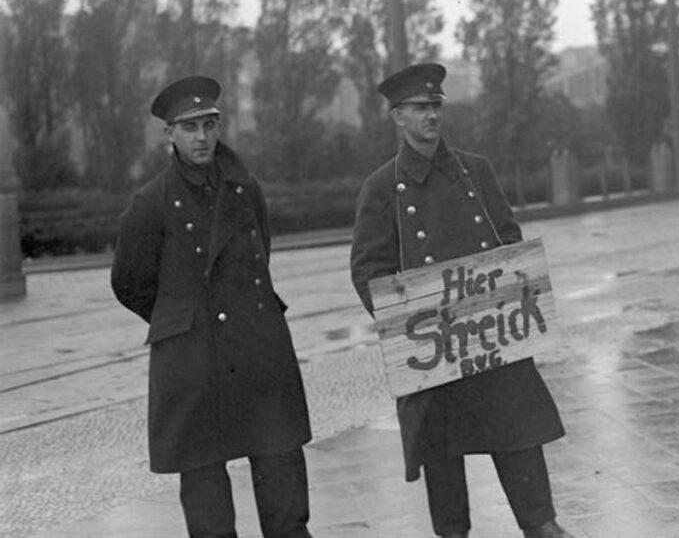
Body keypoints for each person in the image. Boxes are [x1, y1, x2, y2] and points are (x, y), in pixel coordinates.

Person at [350, 63, 573, 538]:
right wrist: (409, 317)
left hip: (492, 340)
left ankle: (543, 526)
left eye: (436, 106)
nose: (431, 116)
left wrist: (508, 289)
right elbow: (368, 271)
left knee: (521, 444)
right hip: (435, 352)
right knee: (444, 473)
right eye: (420, 108)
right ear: (398, 117)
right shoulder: (382, 189)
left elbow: (508, 239)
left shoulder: (476, 171)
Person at [111, 75, 313, 538]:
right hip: (193, 363)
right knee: (207, 503)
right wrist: (182, 316)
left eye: (208, 125)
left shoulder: (244, 188)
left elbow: (260, 250)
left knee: (283, 486)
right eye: (189, 128)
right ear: (170, 135)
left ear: (219, 127)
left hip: (258, 352)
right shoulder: (150, 203)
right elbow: (129, 282)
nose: (201, 137)